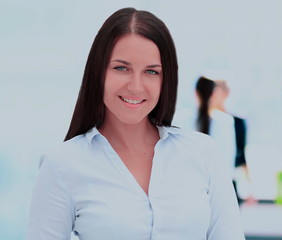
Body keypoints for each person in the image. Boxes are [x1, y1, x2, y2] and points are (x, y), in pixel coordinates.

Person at [27, 8, 244, 240]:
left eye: (151, 71)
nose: (136, 86)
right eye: (121, 68)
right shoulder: (62, 164)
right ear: (98, 72)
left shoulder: (204, 153)